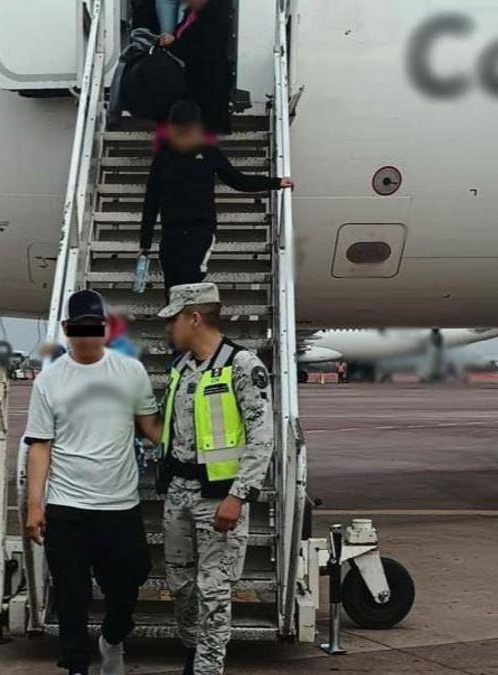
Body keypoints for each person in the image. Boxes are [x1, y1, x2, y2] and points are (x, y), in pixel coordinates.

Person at [24, 290, 163, 675]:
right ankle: (77, 665)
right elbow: (40, 445)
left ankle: (113, 637)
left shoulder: (130, 372)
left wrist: (182, 439)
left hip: (119, 503)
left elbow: (149, 425)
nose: (86, 336)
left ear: (105, 328)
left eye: (94, 327)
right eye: (78, 329)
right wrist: (35, 505)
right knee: (72, 593)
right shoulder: (49, 381)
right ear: (67, 329)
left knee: (130, 579)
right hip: (67, 505)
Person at [157, 283, 275, 675]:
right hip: (179, 494)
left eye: (174, 319)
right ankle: (193, 648)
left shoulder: (242, 366)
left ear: (194, 318)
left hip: (219, 498)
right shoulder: (180, 367)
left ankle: (208, 667)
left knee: (214, 590)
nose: (169, 328)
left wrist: (238, 496)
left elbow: (262, 438)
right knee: (181, 585)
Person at [140, 100, 293, 301]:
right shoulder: (163, 157)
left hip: (200, 229)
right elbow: (151, 199)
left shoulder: (209, 152)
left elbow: (237, 180)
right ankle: (177, 328)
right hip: (171, 231)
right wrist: (145, 242)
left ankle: (191, 325)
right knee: (172, 285)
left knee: (189, 279)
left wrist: (276, 182)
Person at [162, 0, 233, 135]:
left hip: (209, 84)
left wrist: (174, 44)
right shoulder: (191, 13)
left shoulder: (216, 15)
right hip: (192, 82)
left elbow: (206, 50)